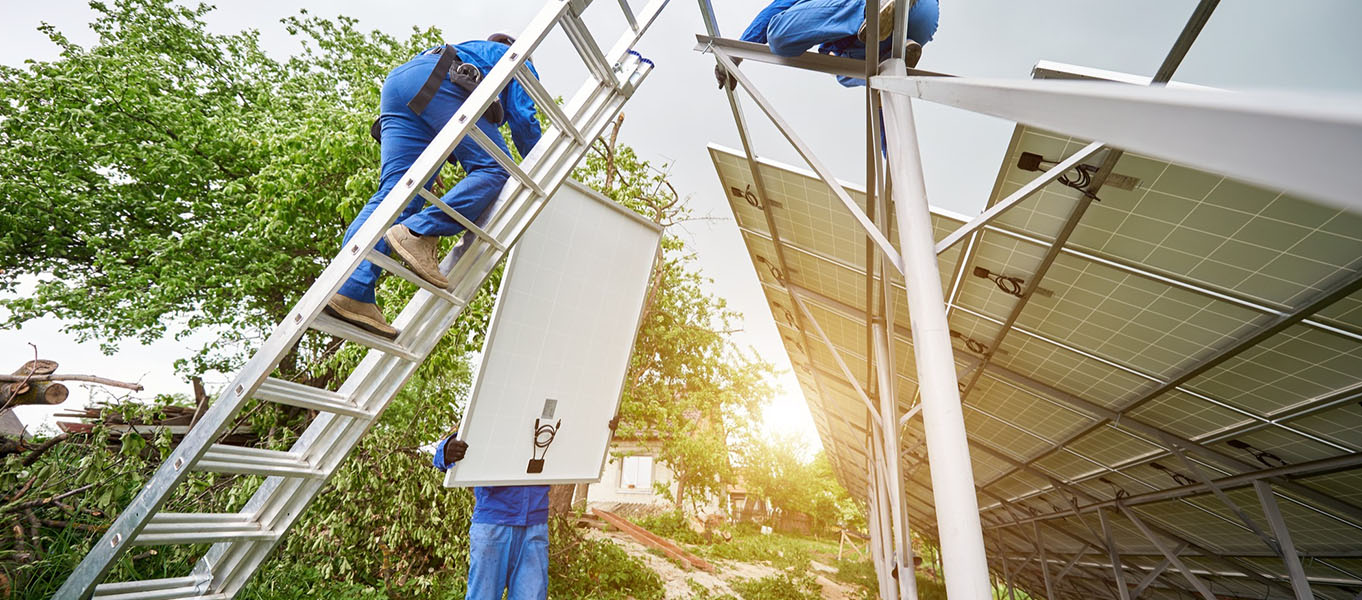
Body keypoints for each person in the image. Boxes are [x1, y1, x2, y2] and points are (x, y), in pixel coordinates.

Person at [326, 34, 542, 339]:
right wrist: (540, 164)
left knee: (396, 193)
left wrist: (440, 158)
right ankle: (419, 233)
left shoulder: (475, 50)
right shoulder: (517, 58)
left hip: (402, 84)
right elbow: (524, 117)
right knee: (497, 168)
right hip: (439, 79)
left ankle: (350, 287)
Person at [432, 433, 551, 600]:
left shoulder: (548, 420)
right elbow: (467, 432)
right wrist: (446, 450)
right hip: (493, 525)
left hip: (535, 526)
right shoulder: (497, 413)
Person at [717, 0, 939, 88]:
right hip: (924, 17)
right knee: (846, 73)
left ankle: (869, 12)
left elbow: (774, 11)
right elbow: (884, 108)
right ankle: (892, 57)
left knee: (776, 33)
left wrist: (735, 54)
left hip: (889, 10)